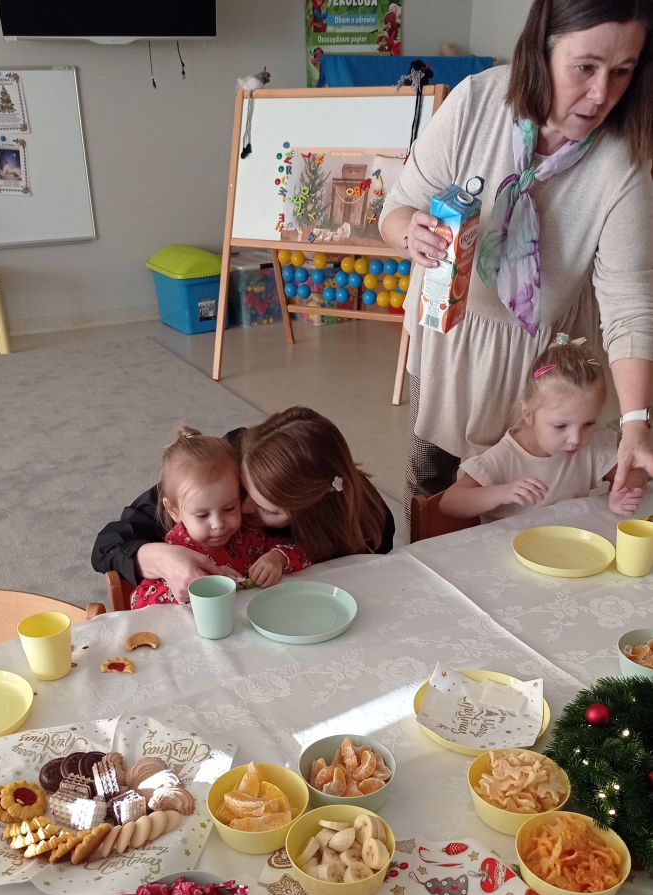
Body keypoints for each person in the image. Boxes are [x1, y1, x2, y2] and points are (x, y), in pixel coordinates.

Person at [379, 0, 653, 520]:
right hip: (448, 337)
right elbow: (396, 210)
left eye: (622, 72)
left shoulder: (624, 159)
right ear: (541, 50)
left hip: (543, 362)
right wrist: (408, 233)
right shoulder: (476, 103)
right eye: (585, 67)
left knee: (532, 492)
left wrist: (636, 421)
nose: (601, 95)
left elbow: (629, 304)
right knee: (433, 481)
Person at [91, 407, 394, 604]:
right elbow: (108, 544)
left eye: (267, 510)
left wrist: (281, 559)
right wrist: (160, 558)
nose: (244, 508)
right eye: (242, 490)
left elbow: (364, 581)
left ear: (307, 516)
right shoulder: (222, 463)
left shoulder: (363, 520)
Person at [439, 334, 647, 522]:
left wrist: (624, 493)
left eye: (589, 423)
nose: (576, 438)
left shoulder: (591, 445)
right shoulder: (505, 457)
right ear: (528, 414)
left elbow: (635, 472)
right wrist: (501, 493)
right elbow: (449, 503)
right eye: (560, 426)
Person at [130, 428, 308, 608]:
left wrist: (278, 558)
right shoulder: (177, 551)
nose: (218, 524)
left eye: (230, 508)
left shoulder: (249, 536)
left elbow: (305, 551)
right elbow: (139, 601)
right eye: (202, 515)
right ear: (174, 510)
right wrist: (198, 586)